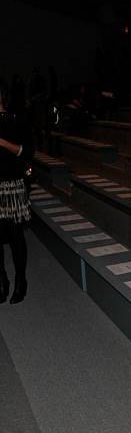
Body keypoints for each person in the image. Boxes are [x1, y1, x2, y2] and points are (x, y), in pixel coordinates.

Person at [0, 79, 33, 304]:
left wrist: (2, 142)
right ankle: (2, 282)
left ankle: (21, 281)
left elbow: (26, 152)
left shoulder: (16, 120)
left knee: (15, 236)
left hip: (12, 186)